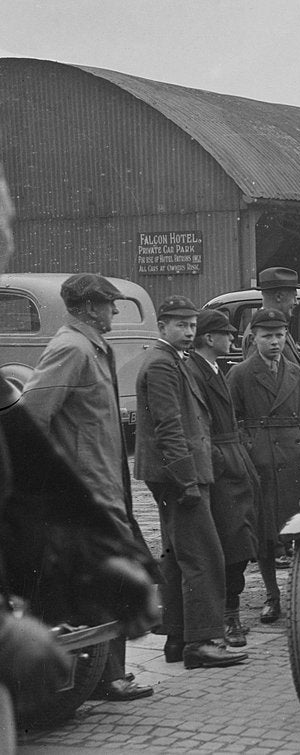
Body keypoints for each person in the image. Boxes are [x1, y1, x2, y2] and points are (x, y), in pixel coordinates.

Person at [18, 273, 156, 701]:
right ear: (90, 308)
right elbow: (30, 416)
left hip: (106, 479)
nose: (115, 311)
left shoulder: (93, 348)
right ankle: (109, 677)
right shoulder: (70, 349)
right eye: (110, 305)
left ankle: (103, 674)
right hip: (88, 485)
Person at [136, 296, 247, 670]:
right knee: (204, 556)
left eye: (191, 325)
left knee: (177, 556)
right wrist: (186, 480)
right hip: (180, 475)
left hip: (178, 473)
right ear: (162, 326)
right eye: (180, 325)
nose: (188, 332)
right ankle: (202, 642)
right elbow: (169, 428)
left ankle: (177, 636)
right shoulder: (163, 365)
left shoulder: (172, 361)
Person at [227, 308, 300, 624]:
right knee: (266, 536)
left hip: (295, 461)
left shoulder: (295, 372)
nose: (275, 342)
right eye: (267, 336)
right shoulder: (240, 374)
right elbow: (231, 420)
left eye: (280, 335)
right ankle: (272, 596)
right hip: (262, 461)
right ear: (253, 338)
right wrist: (249, 447)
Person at [187, 309, 259, 647]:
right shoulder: (195, 371)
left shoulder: (215, 369)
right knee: (230, 543)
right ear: (208, 338)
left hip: (233, 461)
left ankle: (230, 612)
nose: (232, 339)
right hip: (220, 466)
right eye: (226, 334)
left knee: (241, 540)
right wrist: (218, 458)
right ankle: (227, 617)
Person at [241, 266, 300, 373]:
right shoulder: (257, 334)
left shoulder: (274, 326)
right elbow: (258, 379)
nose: (296, 302)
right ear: (279, 296)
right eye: (294, 297)